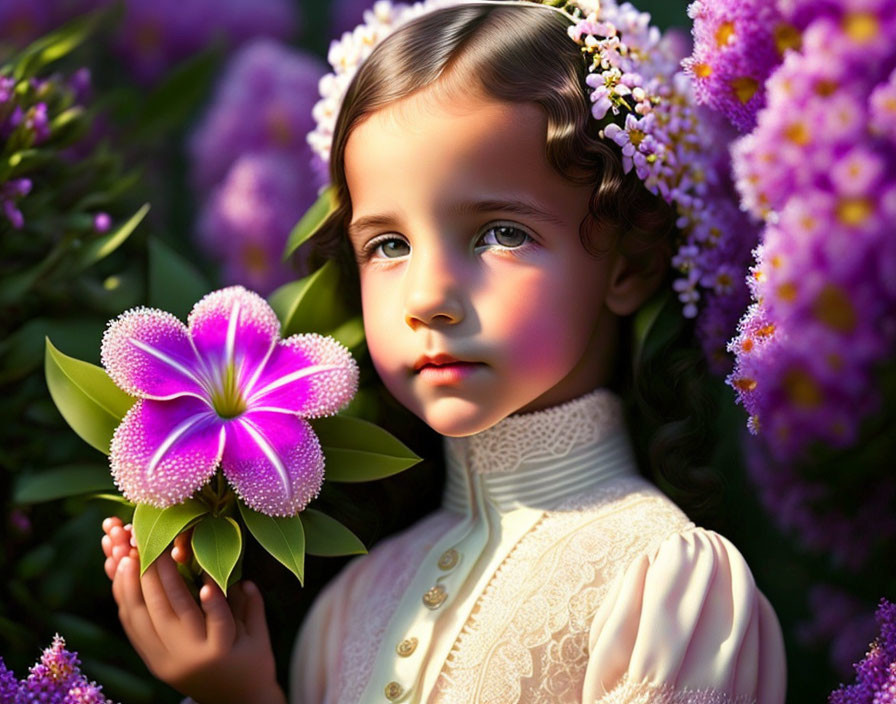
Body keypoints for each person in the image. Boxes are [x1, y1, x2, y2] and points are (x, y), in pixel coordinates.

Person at [102, 1, 788, 702]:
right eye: (389, 246)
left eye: (500, 233)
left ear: (627, 262)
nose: (428, 296)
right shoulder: (350, 607)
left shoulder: (669, 585)